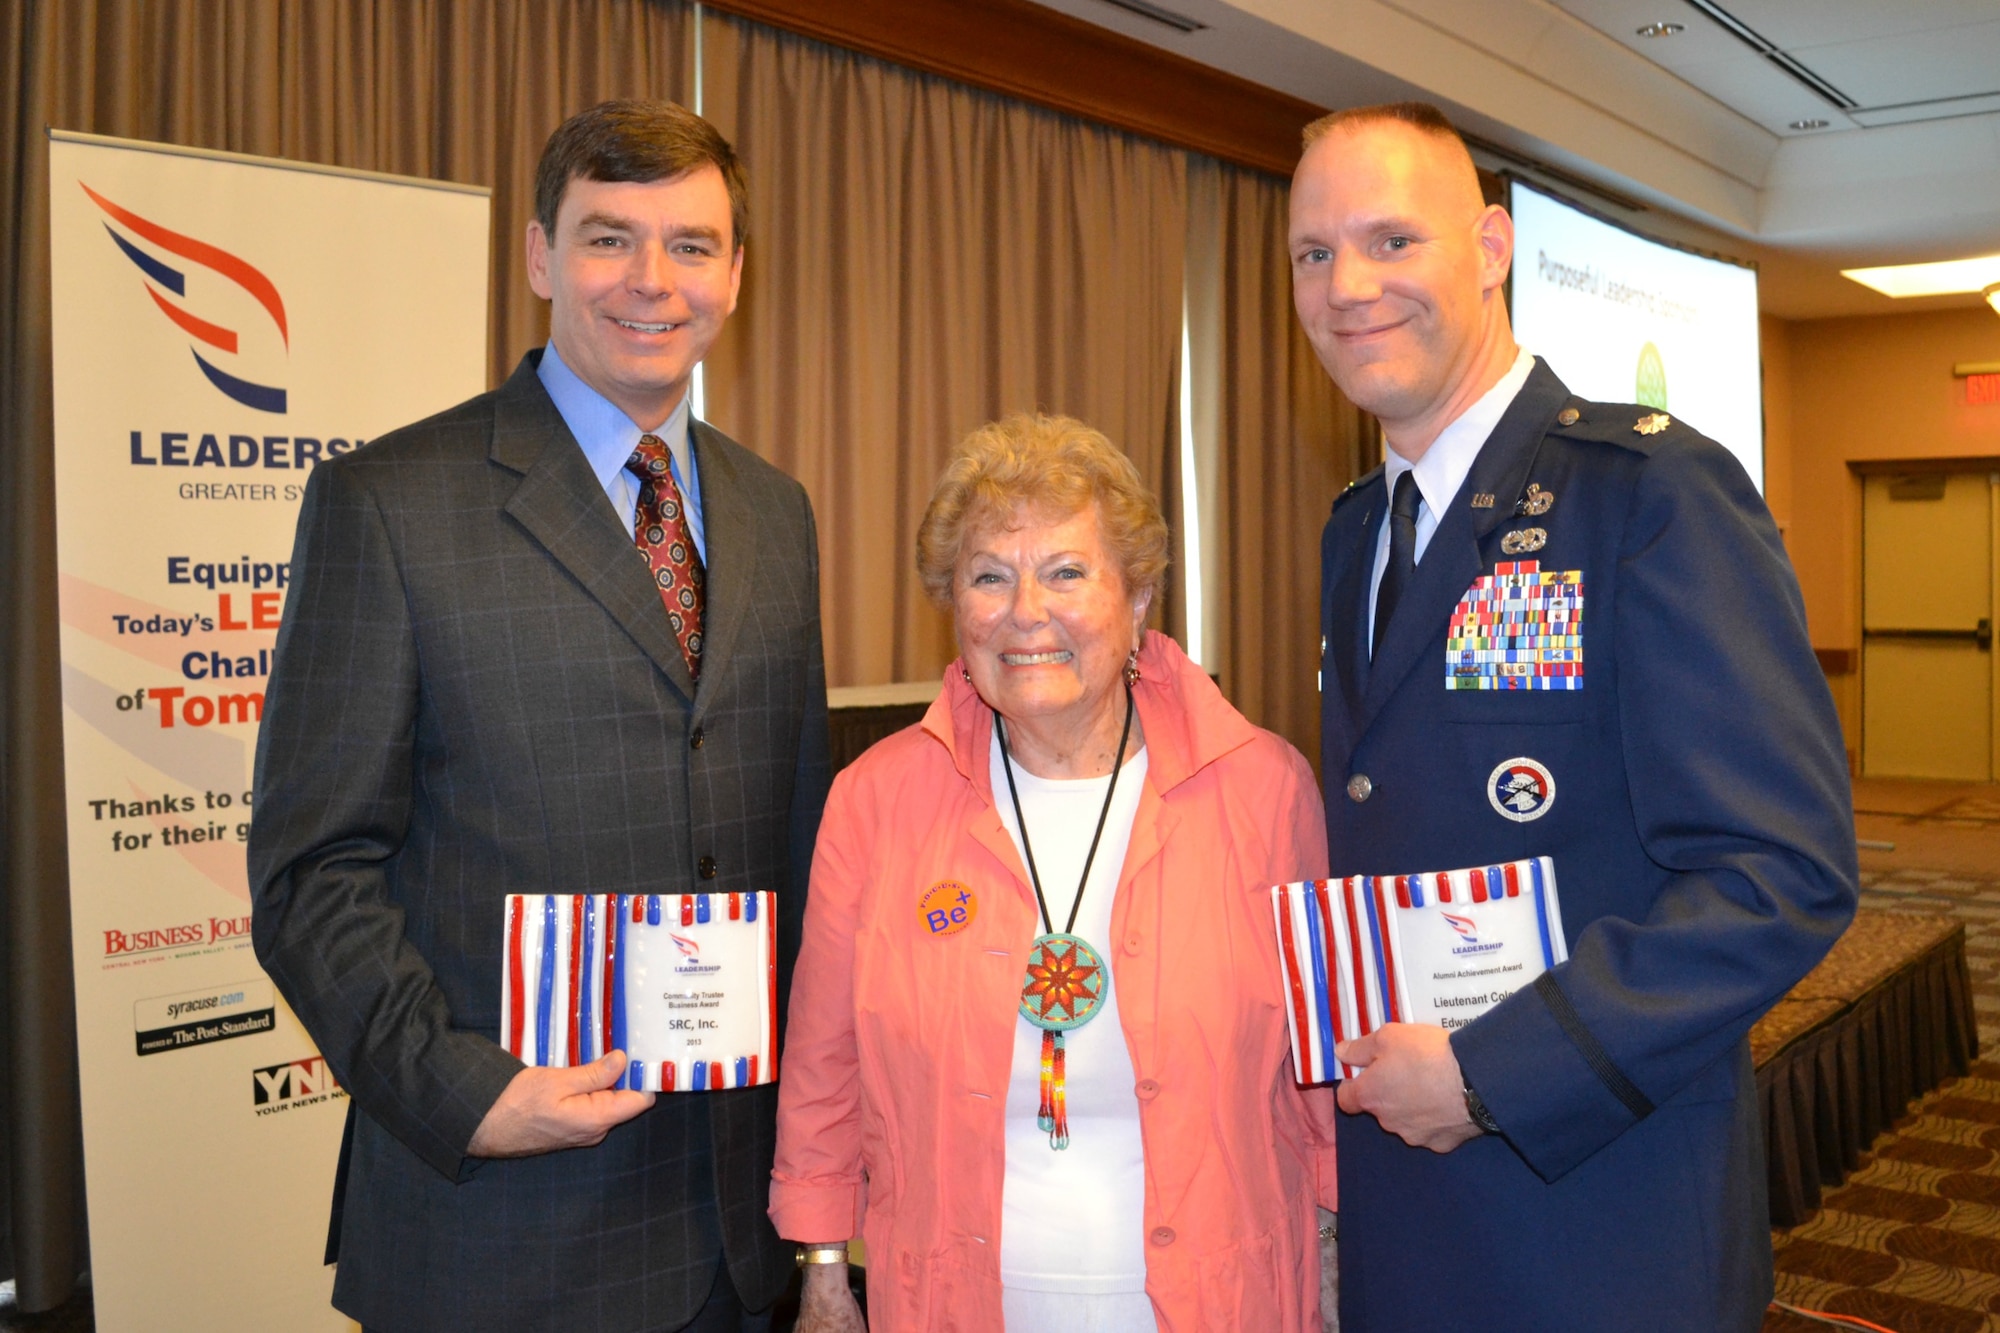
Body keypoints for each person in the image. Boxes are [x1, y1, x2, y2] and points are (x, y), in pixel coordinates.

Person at [249, 100, 829, 1332]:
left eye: (689, 243)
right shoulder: (389, 504)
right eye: (608, 238)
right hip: (503, 1229)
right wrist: (461, 1093)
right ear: (537, 257)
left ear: (735, 271)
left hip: (736, 1222)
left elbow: (797, 831)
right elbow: (311, 869)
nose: (649, 280)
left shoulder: (777, 515)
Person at [1290, 101, 1858, 1331]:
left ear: (1490, 249)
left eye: (1392, 241)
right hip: (1408, 1193)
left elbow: (1781, 872)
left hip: (1596, 1208)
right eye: (1313, 252)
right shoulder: (1356, 532)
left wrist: (1492, 1078)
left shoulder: (1647, 494)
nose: (1347, 286)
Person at [770, 415, 1337, 1332]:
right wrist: (825, 1273)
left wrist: (1337, 1258)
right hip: (949, 1302)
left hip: (1225, 1297)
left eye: (1067, 571)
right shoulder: (874, 802)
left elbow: (1316, 1071)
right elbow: (825, 1066)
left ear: (1140, 593)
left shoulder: (1265, 790)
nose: (1026, 610)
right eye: (989, 575)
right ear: (953, 603)